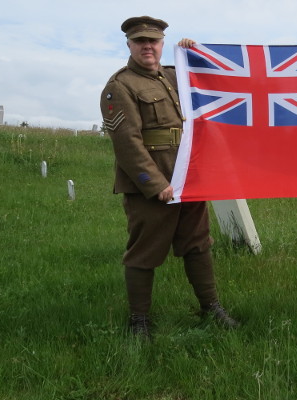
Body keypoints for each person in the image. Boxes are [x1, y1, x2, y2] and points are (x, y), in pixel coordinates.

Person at [100, 16, 239, 339]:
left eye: (154, 41)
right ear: (129, 45)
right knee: (145, 251)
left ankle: (211, 307)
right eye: (140, 41)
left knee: (198, 244)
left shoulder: (176, 75)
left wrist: (194, 52)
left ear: (162, 44)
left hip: (188, 176)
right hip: (152, 183)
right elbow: (127, 144)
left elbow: (213, 81)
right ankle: (139, 321)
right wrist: (155, 184)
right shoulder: (120, 87)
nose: (147, 47)